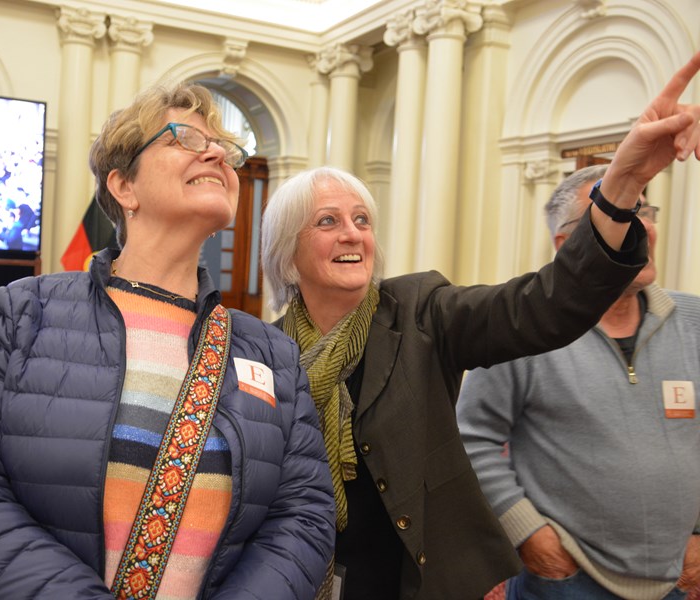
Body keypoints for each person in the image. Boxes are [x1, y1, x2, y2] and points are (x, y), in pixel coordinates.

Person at [259, 51, 700, 600]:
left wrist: (623, 183)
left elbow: (544, 305)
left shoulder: (422, 311)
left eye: (362, 219)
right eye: (328, 221)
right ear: (286, 253)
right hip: (305, 579)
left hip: (417, 581)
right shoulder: (262, 350)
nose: (353, 234)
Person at [0, 81, 335, 599]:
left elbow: (304, 515)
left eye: (225, 150)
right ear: (124, 186)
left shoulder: (270, 352)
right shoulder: (21, 314)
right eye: (184, 137)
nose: (216, 154)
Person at [455, 164, 700, 600]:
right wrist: (532, 537)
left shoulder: (694, 322)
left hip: (675, 583)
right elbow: (471, 437)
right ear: (569, 246)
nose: (642, 228)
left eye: (644, 212)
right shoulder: (521, 330)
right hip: (563, 582)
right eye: (622, 216)